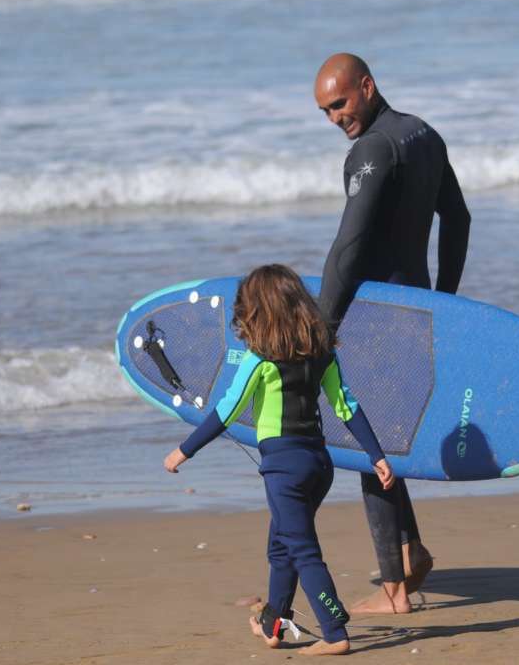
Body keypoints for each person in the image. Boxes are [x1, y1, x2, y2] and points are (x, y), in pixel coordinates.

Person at [163, 264, 395, 656]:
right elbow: (347, 406)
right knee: (283, 545)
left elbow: (227, 410)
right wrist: (377, 455)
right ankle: (273, 625)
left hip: (284, 469)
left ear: (257, 311)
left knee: (302, 550)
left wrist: (183, 451)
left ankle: (335, 632)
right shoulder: (322, 353)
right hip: (318, 465)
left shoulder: (259, 358)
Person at [313, 53, 472, 614]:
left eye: (340, 103)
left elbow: (349, 246)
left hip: (377, 319)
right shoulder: (423, 135)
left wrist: (321, 327)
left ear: (367, 86)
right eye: (325, 111)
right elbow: (459, 218)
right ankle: (409, 553)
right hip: (415, 310)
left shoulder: (373, 150)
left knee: (364, 446)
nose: (334, 117)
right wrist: (443, 302)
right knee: (382, 441)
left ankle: (395, 592)